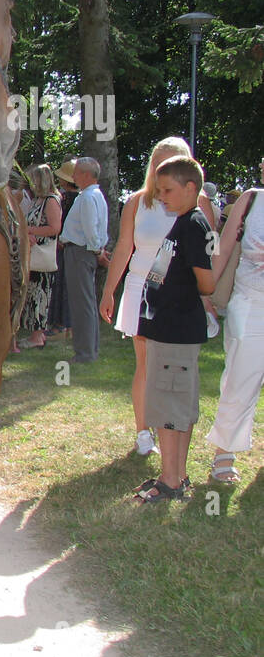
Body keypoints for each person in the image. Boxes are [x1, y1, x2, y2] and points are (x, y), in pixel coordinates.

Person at [100, 137, 215, 456]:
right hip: (142, 288)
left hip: (180, 291)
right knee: (146, 364)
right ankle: (143, 432)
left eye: (171, 162)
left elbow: (209, 253)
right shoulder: (138, 201)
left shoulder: (198, 204)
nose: (162, 169)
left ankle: (172, 437)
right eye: (158, 164)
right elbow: (124, 246)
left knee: (174, 369)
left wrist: (208, 297)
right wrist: (110, 290)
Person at [130, 156, 215, 503]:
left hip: (177, 331)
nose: (161, 196)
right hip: (167, 331)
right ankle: (174, 475)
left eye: (167, 190)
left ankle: (170, 481)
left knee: (170, 409)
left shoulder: (194, 224)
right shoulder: (183, 222)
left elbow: (206, 282)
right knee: (171, 406)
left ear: (190, 187)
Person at [203, 156, 264, 485]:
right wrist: (206, 294)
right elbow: (223, 250)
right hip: (250, 304)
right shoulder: (251, 200)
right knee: (240, 379)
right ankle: (224, 453)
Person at [59, 156, 110, 363]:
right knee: (85, 303)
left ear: (87, 175)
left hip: (80, 252)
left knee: (82, 305)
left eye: (77, 172)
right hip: (83, 251)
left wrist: (97, 251)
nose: (73, 176)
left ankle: (85, 353)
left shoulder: (88, 197)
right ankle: (88, 350)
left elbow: (91, 229)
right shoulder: (94, 195)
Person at [19, 163, 63, 350]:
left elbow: (54, 228)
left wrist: (29, 230)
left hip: (42, 256)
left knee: (40, 296)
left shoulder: (51, 200)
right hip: (32, 255)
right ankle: (33, 334)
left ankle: (38, 336)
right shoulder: (38, 200)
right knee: (31, 295)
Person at [47, 161, 78, 336]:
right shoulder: (71, 198)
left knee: (60, 284)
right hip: (66, 246)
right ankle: (63, 322)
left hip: (63, 247)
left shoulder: (66, 200)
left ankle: (61, 323)